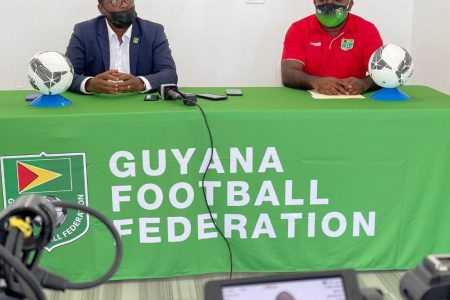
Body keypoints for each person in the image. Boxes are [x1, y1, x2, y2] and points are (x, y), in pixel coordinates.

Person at [66, 0, 177, 94]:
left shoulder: (153, 31)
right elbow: (66, 74)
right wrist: (89, 84)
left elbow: (169, 73)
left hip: (139, 103)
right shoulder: (84, 32)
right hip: (98, 103)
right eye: (115, 1)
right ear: (101, 9)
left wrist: (141, 83)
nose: (124, 5)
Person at [281, 0, 383, 95]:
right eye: (322, 0)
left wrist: (364, 83)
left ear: (350, 4)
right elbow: (288, 74)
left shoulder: (367, 30)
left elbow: (382, 71)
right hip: (308, 101)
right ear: (314, 2)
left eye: (337, 0)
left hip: (352, 102)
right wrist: (315, 82)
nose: (329, 4)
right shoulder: (298, 29)